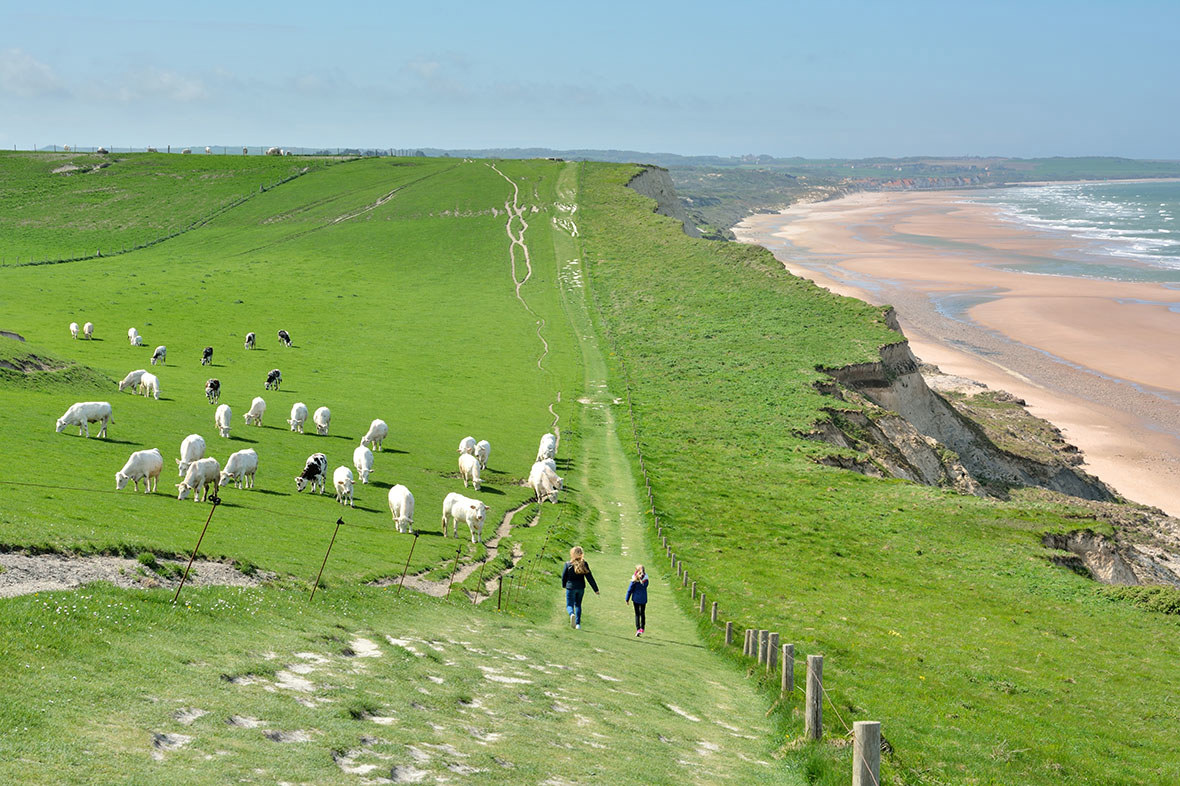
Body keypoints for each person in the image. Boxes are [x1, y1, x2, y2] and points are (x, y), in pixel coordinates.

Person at [560, 546, 599, 629]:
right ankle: (578, 624)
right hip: (580, 588)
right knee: (578, 605)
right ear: (581, 554)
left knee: (569, 605)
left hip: (570, 587)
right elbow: (589, 577)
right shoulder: (584, 564)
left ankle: (571, 614)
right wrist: (596, 589)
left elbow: (564, 577)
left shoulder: (568, 564)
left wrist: (564, 585)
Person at [625, 564, 648, 636]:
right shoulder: (646, 580)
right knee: (642, 613)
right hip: (643, 599)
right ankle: (642, 628)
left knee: (637, 614)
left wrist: (627, 599)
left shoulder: (634, 581)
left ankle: (638, 629)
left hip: (636, 599)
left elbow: (630, 590)